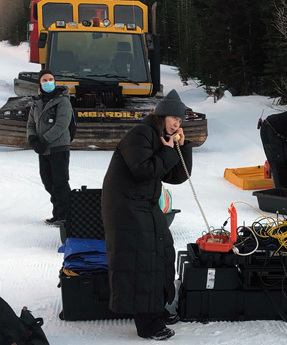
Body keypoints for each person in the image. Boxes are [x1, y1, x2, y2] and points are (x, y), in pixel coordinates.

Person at [101, 89, 192, 341]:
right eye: (174, 118)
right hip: (126, 207)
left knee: (162, 252)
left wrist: (181, 148)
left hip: (145, 204)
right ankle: (148, 324)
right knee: (141, 261)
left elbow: (177, 176)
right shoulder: (141, 133)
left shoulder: (161, 138)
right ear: (162, 115)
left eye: (181, 120)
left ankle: (156, 308)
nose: (177, 123)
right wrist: (167, 151)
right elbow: (144, 170)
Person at [26, 69, 72, 225]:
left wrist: (44, 141)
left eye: (51, 79)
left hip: (58, 148)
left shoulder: (63, 101)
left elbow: (61, 125)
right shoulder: (37, 103)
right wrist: (32, 139)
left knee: (60, 183)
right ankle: (57, 214)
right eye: (45, 80)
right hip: (43, 149)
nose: (48, 82)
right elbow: (31, 123)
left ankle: (66, 215)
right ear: (40, 82)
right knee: (48, 182)